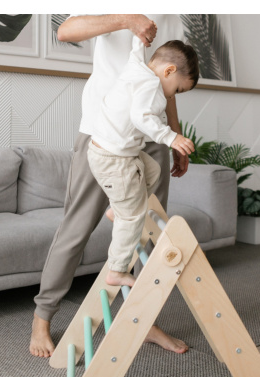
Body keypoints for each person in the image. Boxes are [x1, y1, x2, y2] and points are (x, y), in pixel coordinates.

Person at [29, 15, 193, 358]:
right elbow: (65, 31)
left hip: (150, 136)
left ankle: (143, 320)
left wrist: (174, 138)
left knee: (147, 232)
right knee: (76, 229)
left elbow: (167, 81)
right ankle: (42, 318)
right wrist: (127, 20)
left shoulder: (171, 16)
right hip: (104, 135)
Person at [89, 37, 198, 287]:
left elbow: (135, 50)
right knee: (132, 216)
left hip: (111, 153)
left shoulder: (137, 66)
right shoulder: (152, 86)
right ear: (169, 71)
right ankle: (116, 270)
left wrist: (139, 39)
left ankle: (116, 210)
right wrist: (171, 137)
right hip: (115, 159)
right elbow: (141, 117)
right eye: (177, 89)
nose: (172, 96)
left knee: (152, 170)